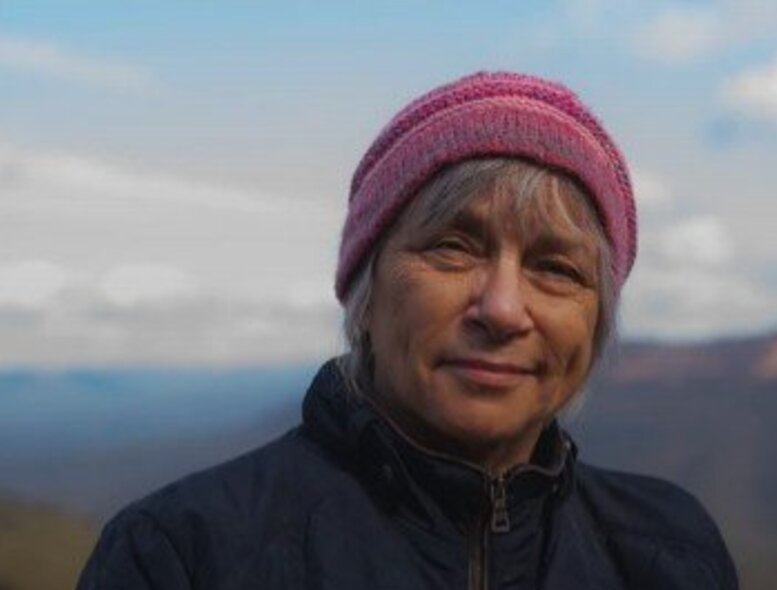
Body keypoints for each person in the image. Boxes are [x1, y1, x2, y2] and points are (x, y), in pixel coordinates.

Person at [77, 71, 739, 589]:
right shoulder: (180, 556)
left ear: (596, 324)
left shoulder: (671, 553)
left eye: (556, 268)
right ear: (363, 292)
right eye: (454, 247)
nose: (503, 309)